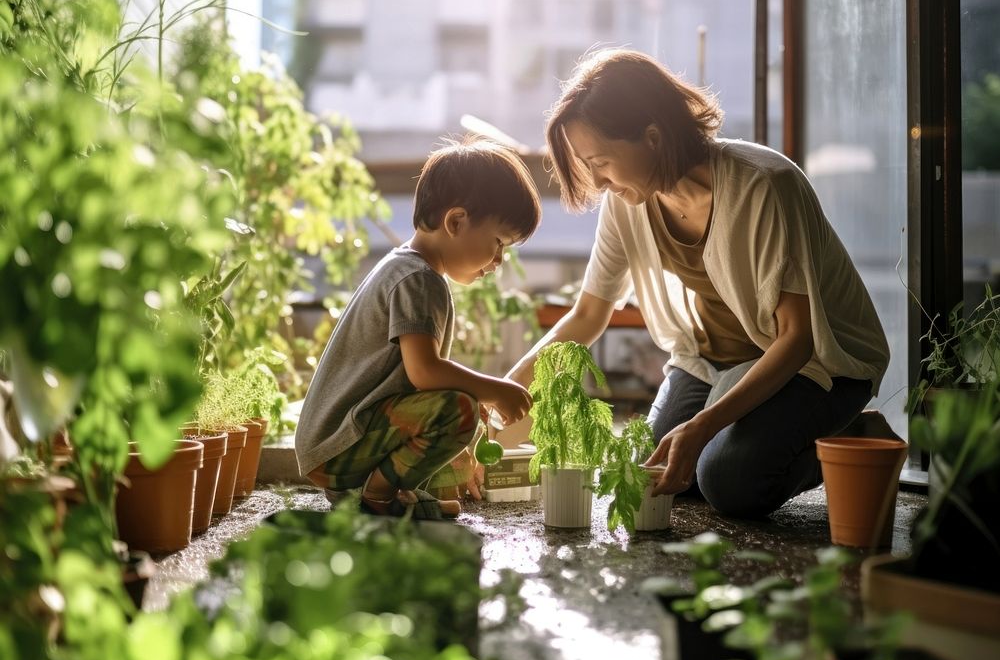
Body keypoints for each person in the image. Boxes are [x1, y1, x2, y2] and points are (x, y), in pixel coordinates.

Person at [506, 48, 890, 519]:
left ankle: (858, 441)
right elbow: (589, 314)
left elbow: (796, 339)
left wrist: (705, 424)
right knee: (660, 475)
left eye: (601, 161)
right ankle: (736, 424)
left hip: (816, 367)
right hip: (708, 363)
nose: (598, 182)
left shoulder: (763, 186)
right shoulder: (628, 204)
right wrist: (508, 386)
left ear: (652, 136)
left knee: (728, 482)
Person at [295, 137, 539, 520]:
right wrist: (495, 389)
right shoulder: (417, 279)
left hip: (339, 442)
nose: (498, 261)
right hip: (340, 446)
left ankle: (377, 495)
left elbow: (423, 381)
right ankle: (377, 498)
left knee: (462, 430)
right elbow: (425, 373)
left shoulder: (407, 269)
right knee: (458, 410)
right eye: (498, 243)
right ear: (456, 221)